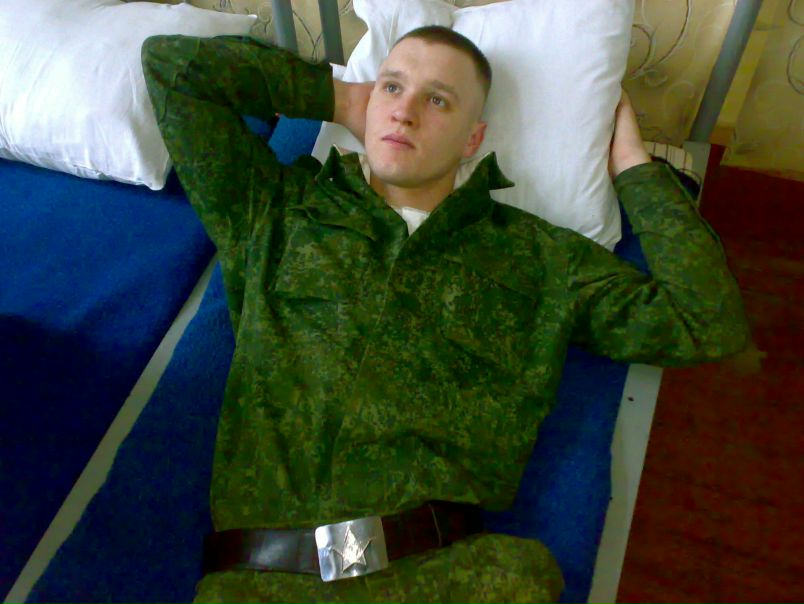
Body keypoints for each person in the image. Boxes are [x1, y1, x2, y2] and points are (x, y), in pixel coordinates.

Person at [142, 25, 750, 604]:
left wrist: (635, 169)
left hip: (441, 579)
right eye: (393, 87)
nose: (404, 112)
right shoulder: (276, 210)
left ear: (472, 140)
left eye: (437, 100)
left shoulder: (537, 258)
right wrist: (340, 98)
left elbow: (704, 322)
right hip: (260, 580)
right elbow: (172, 68)